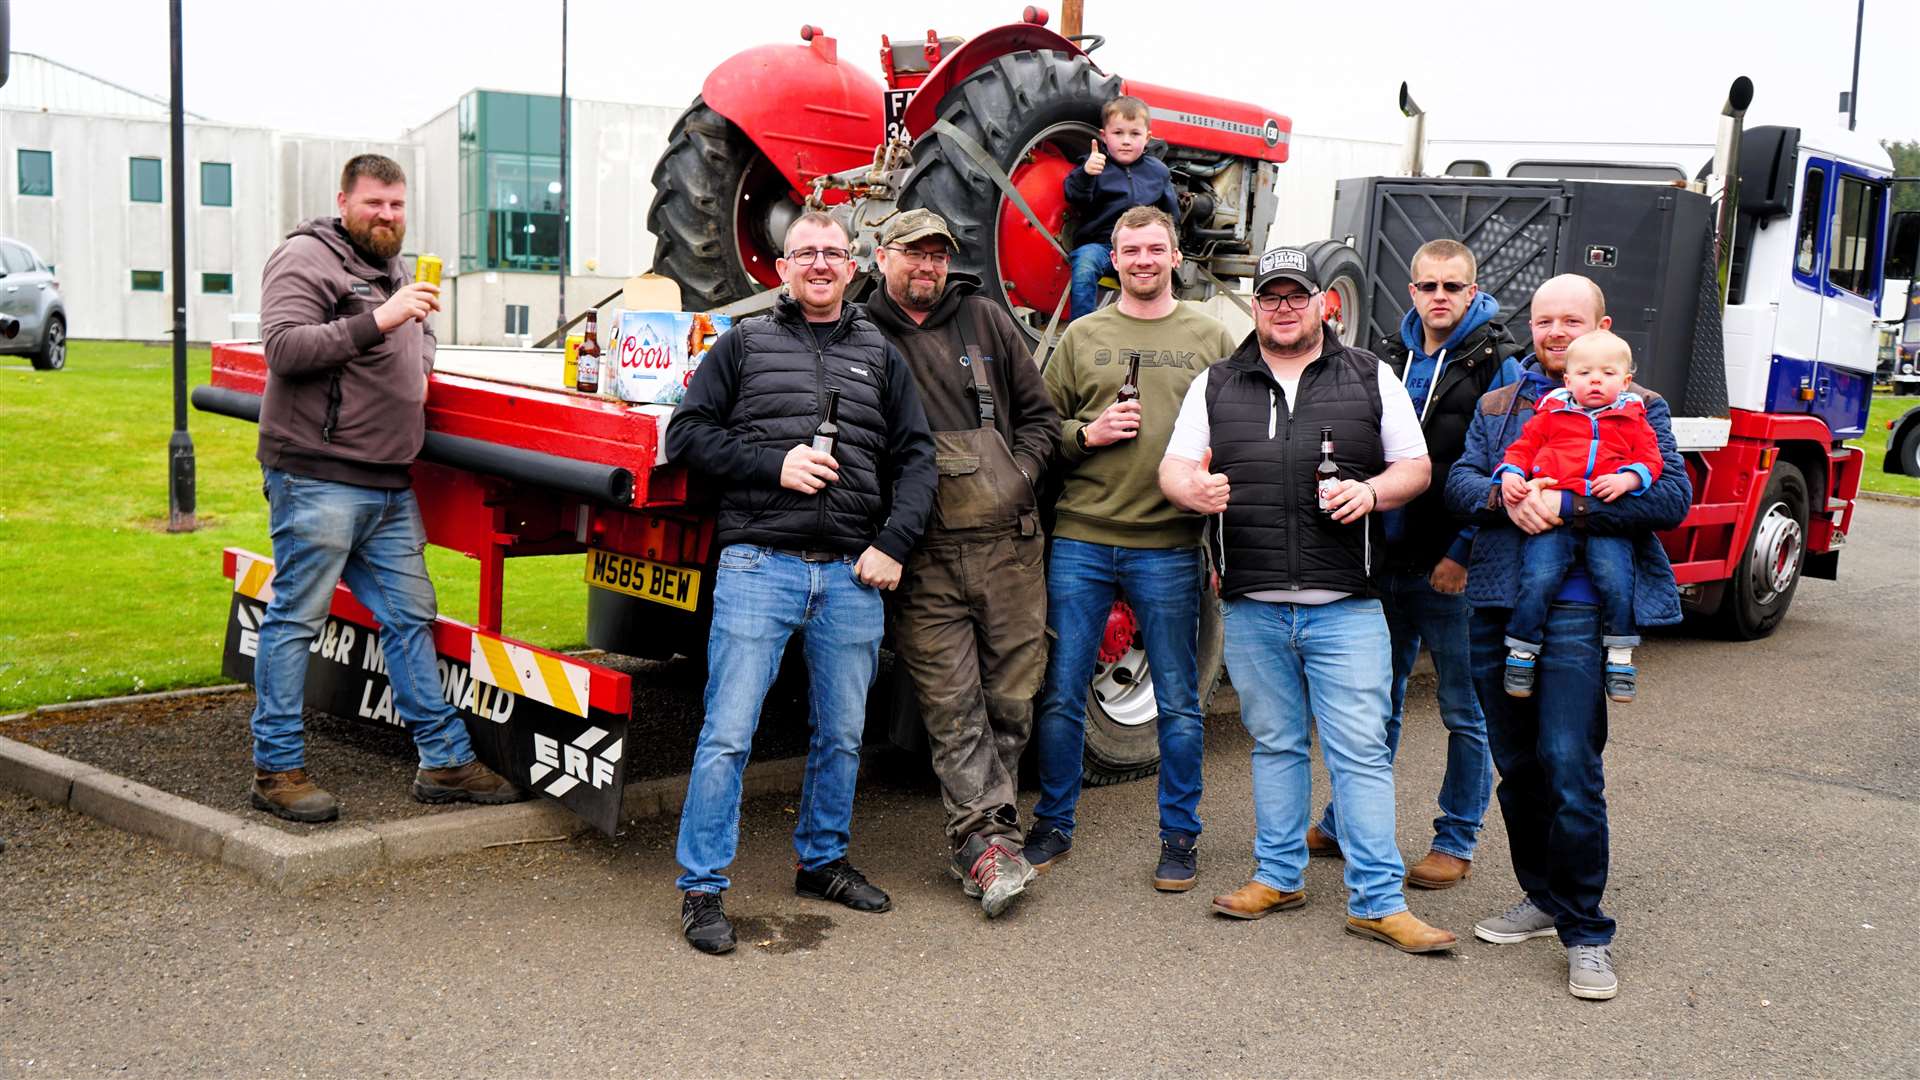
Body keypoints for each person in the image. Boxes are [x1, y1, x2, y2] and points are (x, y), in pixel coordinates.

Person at [1159, 246, 1455, 953]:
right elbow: (1175, 465)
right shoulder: (1217, 383)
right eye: (1270, 296)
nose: (1283, 307)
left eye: (1297, 296)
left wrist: (1373, 491)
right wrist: (1189, 489)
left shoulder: (1369, 376)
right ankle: (1279, 874)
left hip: (1347, 604)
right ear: (1255, 305)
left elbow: (1415, 466)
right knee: (1276, 745)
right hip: (1254, 600)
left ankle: (1378, 901)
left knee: (1359, 752)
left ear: (1326, 303)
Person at [665, 210, 938, 955]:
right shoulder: (745, 343)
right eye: (804, 253)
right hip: (760, 567)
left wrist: (893, 542)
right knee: (728, 734)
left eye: (833, 252)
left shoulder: (880, 355)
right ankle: (702, 888)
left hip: (852, 577)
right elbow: (685, 435)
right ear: (780, 269)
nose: (819, 263)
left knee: (843, 735)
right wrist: (772, 463)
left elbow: (916, 460)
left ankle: (821, 862)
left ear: (854, 268)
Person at [249, 153, 524, 823]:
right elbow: (283, 349)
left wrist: (420, 358)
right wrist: (382, 319)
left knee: (410, 617)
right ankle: (276, 770)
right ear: (343, 199)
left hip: (387, 483)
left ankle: (444, 762)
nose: (388, 215)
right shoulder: (305, 260)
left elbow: (419, 332)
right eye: (375, 203)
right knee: (295, 621)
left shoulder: (394, 269)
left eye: (397, 204)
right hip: (317, 475)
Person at [1445, 274, 1690, 1000]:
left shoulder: (1642, 407)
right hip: (1497, 604)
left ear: (1601, 326)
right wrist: (1503, 497)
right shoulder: (1498, 404)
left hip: (1583, 613)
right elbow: (1459, 484)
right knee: (1518, 766)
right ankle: (1545, 897)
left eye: (1571, 320)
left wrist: (1571, 507)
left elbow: (1671, 498)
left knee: (1569, 765)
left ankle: (1587, 931)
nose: (1555, 332)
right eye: (1544, 320)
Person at [1029, 205, 1238, 892]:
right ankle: (1054, 824)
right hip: (1083, 539)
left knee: (1178, 701)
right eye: (1130, 250)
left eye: (1155, 248)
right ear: (1112, 261)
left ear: (1176, 256)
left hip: (1169, 546)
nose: (1143, 260)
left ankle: (1179, 837)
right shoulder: (1082, 336)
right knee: (1060, 694)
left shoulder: (1211, 338)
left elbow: (1241, 436)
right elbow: (1040, 431)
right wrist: (1086, 435)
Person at [865, 209, 1061, 918]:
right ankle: (986, 848)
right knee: (953, 708)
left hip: (1009, 544)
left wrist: (1018, 471)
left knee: (1011, 700)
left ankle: (984, 836)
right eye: (914, 253)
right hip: (925, 555)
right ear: (883, 255)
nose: (927, 267)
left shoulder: (986, 319)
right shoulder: (864, 333)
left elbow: (1040, 417)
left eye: (938, 255)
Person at [1309, 238, 1522, 889]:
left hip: (1454, 569)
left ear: (1473, 290)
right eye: (1427, 286)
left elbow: (1503, 471)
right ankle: (1347, 821)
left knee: (1466, 711)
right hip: (1383, 561)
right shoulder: (1385, 355)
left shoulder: (1498, 364)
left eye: (1451, 288)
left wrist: (1461, 553)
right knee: (1375, 704)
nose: (1439, 298)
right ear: (1411, 291)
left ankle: (1455, 839)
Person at [1494, 331, 1661, 704]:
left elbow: (1652, 459)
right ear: (1568, 380)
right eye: (1585, 373)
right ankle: (1522, 651)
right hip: (1552, 521)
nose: (1596, 380)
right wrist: (1510, 474)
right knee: (1537, 578)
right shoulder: (1550, 415)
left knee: (1617, 581)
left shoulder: (1634, 419)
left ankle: (1620, 656)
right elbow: (1521, 449)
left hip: (1607, 518)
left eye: (1607, 373)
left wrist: (1628, 478)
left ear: (1626, 380)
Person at [1063, 95, 1181, 321]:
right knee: (1085, 265)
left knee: (1165, 270)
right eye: (1118, 133)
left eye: (1134, 134)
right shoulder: (1094, 165)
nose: (1126, 141)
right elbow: (1074, 197)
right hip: (1102, 246)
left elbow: (1170, 215)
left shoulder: (1158, 172)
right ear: (1103, 136)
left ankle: (1158, 322)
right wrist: (1086, 174)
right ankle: (1081, 327)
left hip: (1143, 247)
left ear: (1147, 138)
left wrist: (1174, 246)